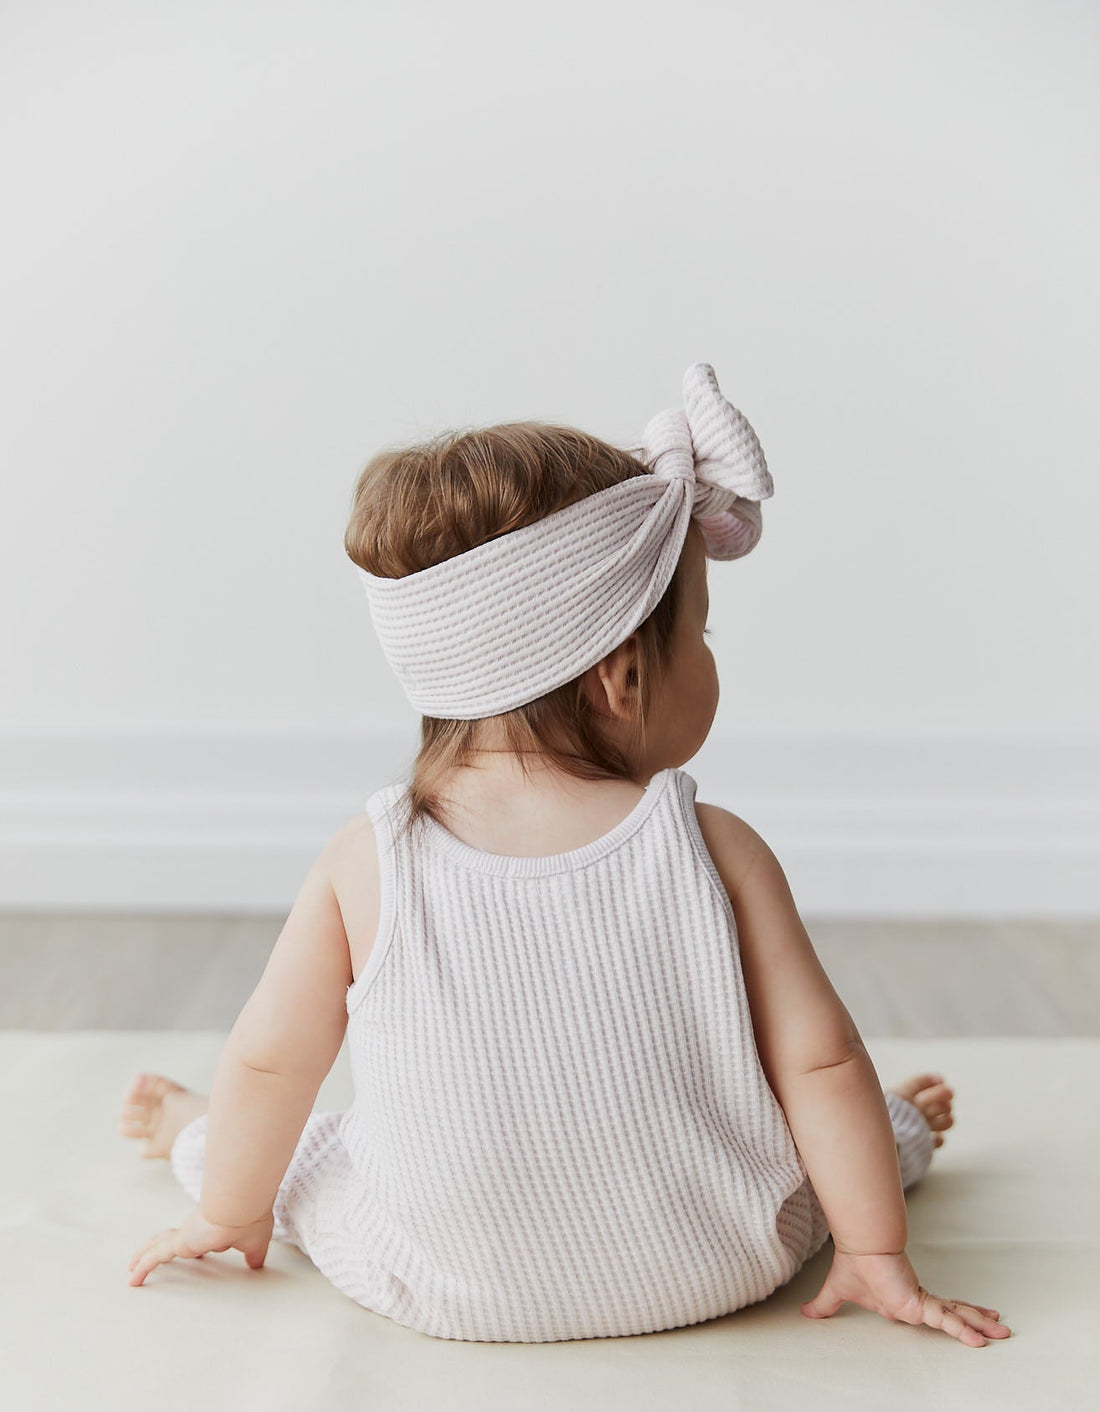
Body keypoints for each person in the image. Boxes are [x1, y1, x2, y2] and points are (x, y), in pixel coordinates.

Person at [121, 362, 1010, 1351]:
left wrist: (231, 1212)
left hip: (436, 1281)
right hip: (716, 1262)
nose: (708, 653)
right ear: (621, 678)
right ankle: (899, 1136)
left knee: (308, 1163)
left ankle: (192, 1138)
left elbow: (271, 1062)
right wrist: (874, 1251)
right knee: (826, 1133)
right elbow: (819, 1059)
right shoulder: (715, 850)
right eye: (701, 631)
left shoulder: (365, 861)